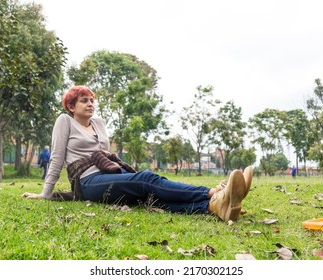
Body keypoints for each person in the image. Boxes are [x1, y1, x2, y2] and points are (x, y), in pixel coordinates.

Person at [22, 86, 253, 222]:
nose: (90, 104)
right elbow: (57, 158)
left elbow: (106, 154)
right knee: (147, 179)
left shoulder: (99, 123)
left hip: (110, 173)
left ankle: (213, 207)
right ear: (71, 106)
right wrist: (46, 193)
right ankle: (214, 192)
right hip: (88, 181)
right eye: (84, 101)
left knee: (146, 197)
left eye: (92, 100)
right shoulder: (65, 121)